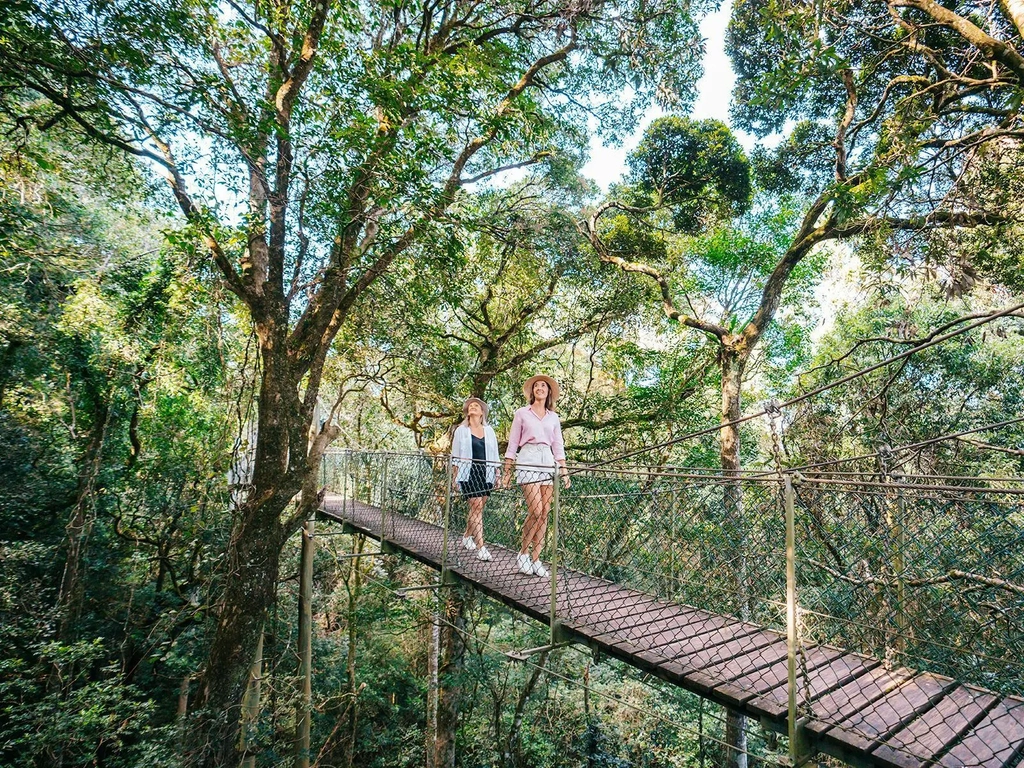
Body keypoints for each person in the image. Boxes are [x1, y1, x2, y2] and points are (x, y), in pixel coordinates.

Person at [503, 374, 570, 578]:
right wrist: (507, 471)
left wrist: (564, 470)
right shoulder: (522, 413)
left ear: (549, 392)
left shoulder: (553, 417)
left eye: (544, 386)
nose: (540, 388)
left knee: (545, 513)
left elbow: (558, 445)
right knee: (536, 509)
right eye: (536, 386)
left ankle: (536, 559)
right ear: (532, 392)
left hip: (547, 460)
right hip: (528, 458)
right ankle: (523, 553)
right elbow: (513, 443)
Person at [452, 397, 500, 561]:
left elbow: (495, 454)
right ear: (467, 412)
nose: (473, 407)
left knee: (478, 508)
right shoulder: (461, 431)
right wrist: (455, 477)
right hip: (468, 473)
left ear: (482, 413)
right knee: (476, 505)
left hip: (486, 473)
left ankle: (467, 536)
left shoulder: (490, 431)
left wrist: (497, 474)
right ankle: (481, 548)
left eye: (476, 406)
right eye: (470, 406)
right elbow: (456, 455)